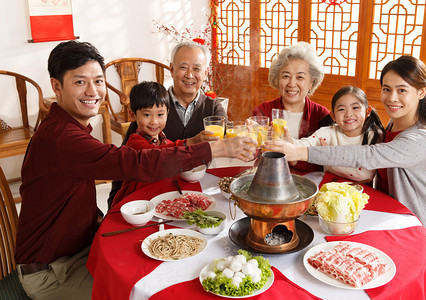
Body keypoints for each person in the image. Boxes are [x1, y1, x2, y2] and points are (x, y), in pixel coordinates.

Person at [15, 40, 256, 300]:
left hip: (78, 249)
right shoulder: (63, 138)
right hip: (53, 273)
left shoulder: (65, 129)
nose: (93, 91)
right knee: (158, 291)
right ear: (56, 86)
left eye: (98, 81)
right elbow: (138, 162)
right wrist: (218, 149)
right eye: (79, 82)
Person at [264, 55, 426, 291]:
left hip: (421, 228)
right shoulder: (394, 123)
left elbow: (365, 155)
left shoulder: (419, 138)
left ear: (421, 92)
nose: (392, 98)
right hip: (391, 218)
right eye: (386, 89)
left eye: (402, 90)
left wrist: (301, 153)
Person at [107, 40, 227, 206]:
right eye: (183, 67)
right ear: (172, 69)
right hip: (155, 191)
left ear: (205, 72)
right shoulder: (151, 106)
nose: (190, 75)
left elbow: (225, 145)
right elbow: (125, 161)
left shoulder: (213, 109)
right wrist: (113, 202)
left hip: (197, 190)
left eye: (197, 69)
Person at [110, 81, 205, 207]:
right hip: (133, 203)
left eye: (160, 114)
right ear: (133, 115)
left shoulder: (168, 143)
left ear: (167, 114)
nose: (154, 121)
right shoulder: (134, 142)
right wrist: (190, 142)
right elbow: (158, 155)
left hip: (157, 199)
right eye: (147, 114)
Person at [251, 42, 330, 172]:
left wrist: (294, 157)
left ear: (311, 82)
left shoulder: (322, 115)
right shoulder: (262, 111)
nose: (292, 83)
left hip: (310, 182)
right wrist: (250, 141)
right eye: (286, 76)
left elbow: (324, 160)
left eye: (300, 77)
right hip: (269, 177)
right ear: (277, 79)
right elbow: (254, 154)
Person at [291, 85, 384, 182]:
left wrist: (328, 154)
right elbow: (304, 144)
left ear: (367, 111)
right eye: (341, 109)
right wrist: (288, 141)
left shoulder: (376, 136)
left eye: (355, 107)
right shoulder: (327, 133)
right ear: (333, 116)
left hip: (362, 188)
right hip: (330, 185)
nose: (348, 114)